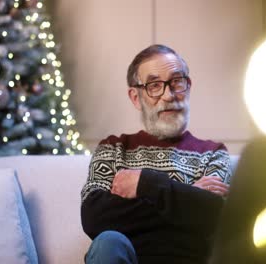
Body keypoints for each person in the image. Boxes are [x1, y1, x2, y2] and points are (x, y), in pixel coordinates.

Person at [80, 44, 233, 264]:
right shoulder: (112, 148)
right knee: (108, 242)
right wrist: (188, 196)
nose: (169, 95)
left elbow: (214, 216)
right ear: (135, 97)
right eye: (154, 85)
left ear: (188, 87)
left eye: (177, 82)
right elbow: (95, 217)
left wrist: (145, 184)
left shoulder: (213, 153)